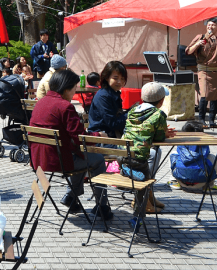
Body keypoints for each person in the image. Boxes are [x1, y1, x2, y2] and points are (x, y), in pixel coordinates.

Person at [29, 69, 111, 218]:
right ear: (66, 88)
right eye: (74, 88)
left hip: (38, 160)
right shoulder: (65, 106)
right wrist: (98, 135)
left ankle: (71, 198)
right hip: (58, 161)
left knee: (81, 156)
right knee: (97, 159)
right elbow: (80, 137)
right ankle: (102, 206)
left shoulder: (40, 103)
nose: (75, 92)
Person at [121, 82, 175, 216]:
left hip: (122, 156)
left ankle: (149, 196)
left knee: (154, 153)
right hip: (139, 162)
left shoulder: (133, 111)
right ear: (162, 101)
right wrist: (164, 133)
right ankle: (144, 205)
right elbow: (159, 137)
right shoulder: (159, 114)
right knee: (151, 160)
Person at [186, 18, 217, 128]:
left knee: (214, 95)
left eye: (213, 25)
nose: (210, 27)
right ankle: (201, 119)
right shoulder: (200, 37)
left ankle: (212, 120)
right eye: (209, 25)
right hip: (203, 70)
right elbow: (189, 51)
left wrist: (216, 42)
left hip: (216, 71)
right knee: (204, 94)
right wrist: (198, 44)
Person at [168, 120, 217, 191]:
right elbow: (206, 154)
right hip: (201, 181)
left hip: (181, 180)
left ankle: (174, 181)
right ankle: (209, 185)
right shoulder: (204, 143)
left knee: (173, 153)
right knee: (211, 157)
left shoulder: (181, 142)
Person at [87, 61, 127, 138]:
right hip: (102, 139)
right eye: (115, 78)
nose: (119, 82)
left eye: (122, 79)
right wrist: (130, 114)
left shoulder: (113, 93)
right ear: (106, 77)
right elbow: (113, 124)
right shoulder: (103, 96)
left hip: (112, 136)